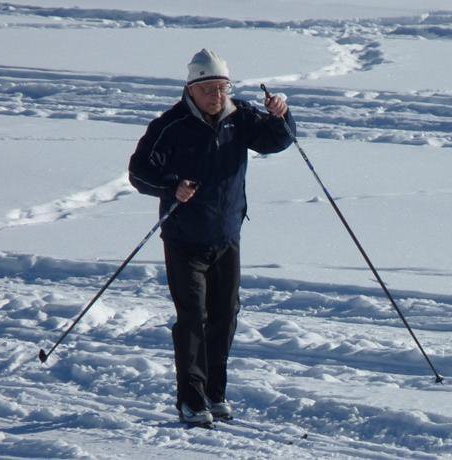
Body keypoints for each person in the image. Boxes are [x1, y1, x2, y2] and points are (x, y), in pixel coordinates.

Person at [128, 49, 295, 425]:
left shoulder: (240, 117)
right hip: (184, 239)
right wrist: (171, 187)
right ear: (191, 89)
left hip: (226, 237)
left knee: (225, 316)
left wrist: (282, 116)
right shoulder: (170, 125)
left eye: (222, 87)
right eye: (208, 89)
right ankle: (191, 400)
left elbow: (276, 141)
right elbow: (138, 172)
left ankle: (214, 395)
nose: (217, 96)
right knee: (192, 319)